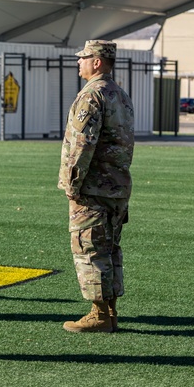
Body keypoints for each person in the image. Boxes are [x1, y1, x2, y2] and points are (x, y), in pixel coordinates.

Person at [58, 40, 134, 333]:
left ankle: (99, 315)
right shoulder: (120, 94)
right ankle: (109, 311)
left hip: (93, 188)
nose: (79, 61)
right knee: (110, 248)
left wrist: (72, 184)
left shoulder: (91, 95)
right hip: (117, 186)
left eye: (84, 57)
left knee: (89, 248)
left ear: (97, 62)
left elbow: (81, 144)